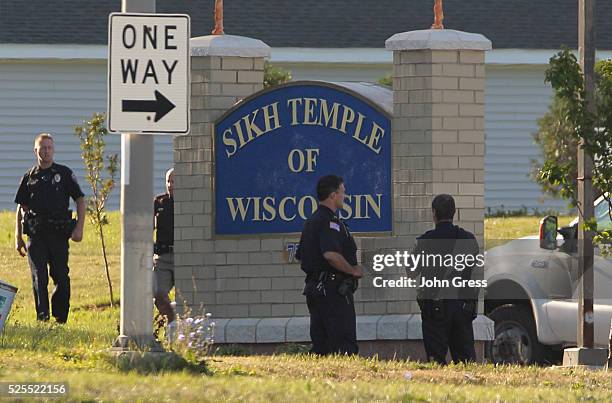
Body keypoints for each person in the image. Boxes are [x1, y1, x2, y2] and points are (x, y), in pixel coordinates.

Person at [14, 133, 85, 323]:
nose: (46, 151)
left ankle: (60, 319)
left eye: (49, 148)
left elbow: (80, 199)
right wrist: (18, 237)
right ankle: (42, 318)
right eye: (42, 148)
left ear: (53, 150)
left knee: (61, 276)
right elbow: (21, 207)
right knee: (40, 277)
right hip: (36, 236)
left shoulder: (63, 173)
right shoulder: (29, 177)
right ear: (35, 150)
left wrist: (79, 228)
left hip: (58, 233)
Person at [295, 175, 364, 355]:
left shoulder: (312, 221)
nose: (345, 196)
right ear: (333, 195)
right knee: (344, 345)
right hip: (333, 290)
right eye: (343, 192)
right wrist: (353, 271)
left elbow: (301, 255)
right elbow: (331, 255)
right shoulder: (329, 221)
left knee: (322, 346)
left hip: (315, 289)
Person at [410, 194, 480, 364]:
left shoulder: (424, 241)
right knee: (466, 362)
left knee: (436, 361)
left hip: (435, 308)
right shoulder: (468, 239)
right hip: (462, 307)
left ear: (434, 213)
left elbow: (411, 272)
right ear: (454, 212)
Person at [153, 168, 175, 332]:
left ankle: (183, 330)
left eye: (174, 181)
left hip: (184, 257)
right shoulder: (159, 202)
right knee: (158, 292)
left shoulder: (189, 202)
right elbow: (148, 227)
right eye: (168, 181)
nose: (170, 185)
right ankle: (172, 322)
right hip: (163, 256)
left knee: (187, 298)